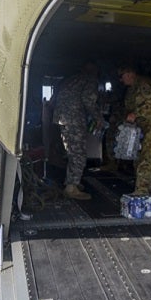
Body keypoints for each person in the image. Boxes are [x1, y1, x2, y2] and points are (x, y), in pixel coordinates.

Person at [52, 62, 104, 200]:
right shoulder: (90, 80)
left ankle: (72, 181)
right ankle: (71, 188)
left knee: (72, 152)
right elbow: (88, 101)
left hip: (62, 119)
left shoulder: (71, 80)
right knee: (78, 153)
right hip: (74, 120)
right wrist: (98, 118)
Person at [117, 65, 151, 195]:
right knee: (137, 159)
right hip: (139, 129)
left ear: (129, 73)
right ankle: (141, 188)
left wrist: (136, 114)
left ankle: (142, 191)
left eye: (121, 77)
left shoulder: (144, 84)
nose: (121, 80)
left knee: (146, 158)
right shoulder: (131, 89)